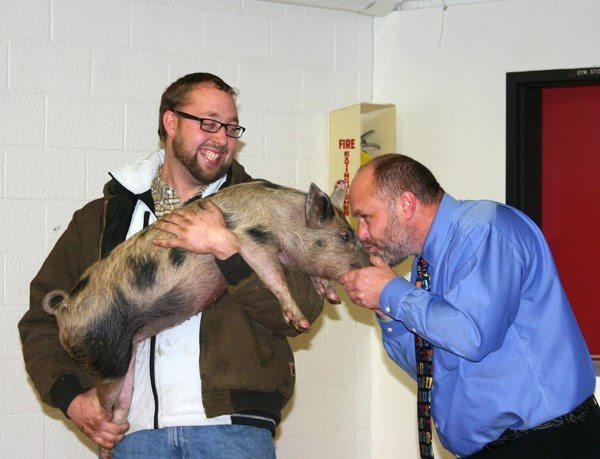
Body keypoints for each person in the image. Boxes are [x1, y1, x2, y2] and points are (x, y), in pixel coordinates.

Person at [19, 72, 323, 458]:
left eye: (231, 128)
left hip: (231, 433)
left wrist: (228, 250)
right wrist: (73, 398)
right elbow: (43, 318)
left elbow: (301, 312)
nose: (222, 139)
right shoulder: (101, 219)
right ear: (171, 122)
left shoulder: (266, 209)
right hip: (135, 436)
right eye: (209, 123)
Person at [339, 153, 600, 458]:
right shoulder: (427, 266)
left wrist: (392, 292)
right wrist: (388, 313)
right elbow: (430, 369)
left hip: (549, 443)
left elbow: (471, 335)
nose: (361, 233)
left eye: (365, 217)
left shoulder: (486, 230)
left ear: (406, 205)